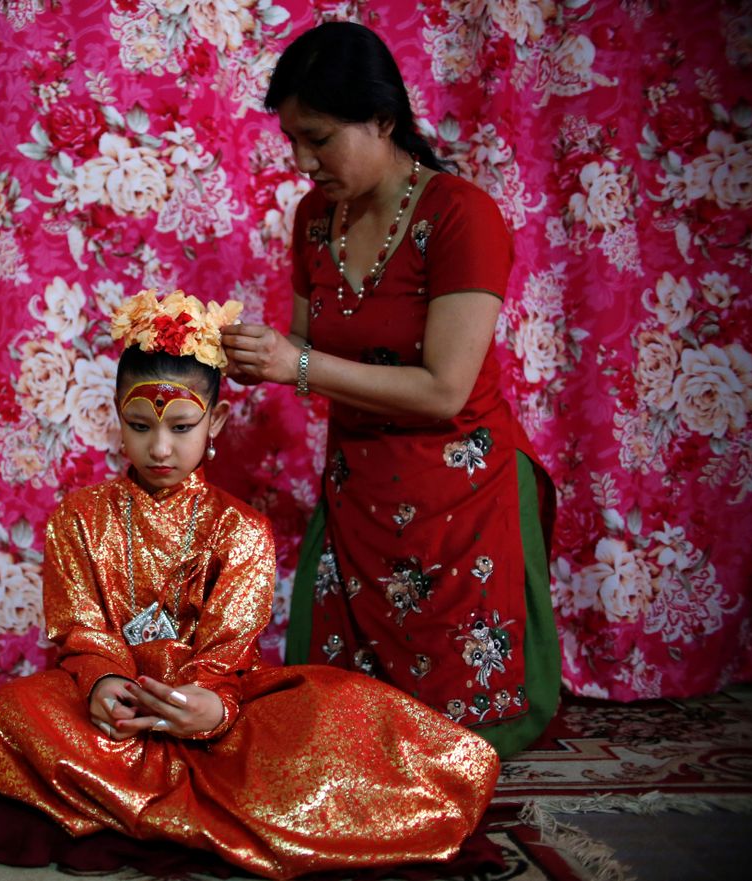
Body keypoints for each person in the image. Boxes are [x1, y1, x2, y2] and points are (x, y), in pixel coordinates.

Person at [0, 289, 500, 880]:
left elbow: (228, 649)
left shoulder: (241, 529)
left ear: (214, 420)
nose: (160, 447)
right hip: (114, 716)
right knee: (8, 713)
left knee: (341, 712)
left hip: (223, 718)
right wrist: (103, 682)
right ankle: (205, 805)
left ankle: (141, 799)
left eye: (182, 426)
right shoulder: (79, 518)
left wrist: (209, 708)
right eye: (140, 426)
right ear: (117, 417)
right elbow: (82, 631)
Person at [221, 21, 560, 758]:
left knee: (452, 741)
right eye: (293, 141)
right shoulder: (316, 219)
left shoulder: (461, 216)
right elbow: (307, 350)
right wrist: (249, 356)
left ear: (382, 119)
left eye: (318, 137)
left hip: (461, 498)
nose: (302, 161)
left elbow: (444, 390)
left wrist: (294, 366)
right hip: (358, 495)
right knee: (338, 731)